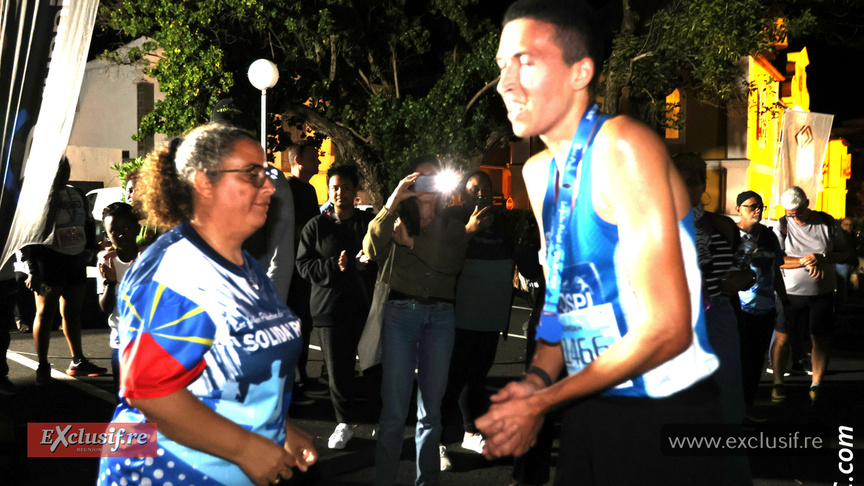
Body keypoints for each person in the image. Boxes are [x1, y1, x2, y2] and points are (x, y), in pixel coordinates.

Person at [476, 2, 727, 484]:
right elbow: (563, 302)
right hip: (589, 405)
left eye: (525, 61)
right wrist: (537, 379)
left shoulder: (624, 149)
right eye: (502, 65)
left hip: (665, 415)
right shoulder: (537, 172)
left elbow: (668, 328)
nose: (506, 82)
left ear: (580, 72)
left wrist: (542, 403)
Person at [96, 124, 317, 486]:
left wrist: (278, 426)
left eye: (268, 173)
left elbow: (234, 372)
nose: (270, 186)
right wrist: (246, 447)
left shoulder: (244, 266)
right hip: (164, 472)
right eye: (252, 174)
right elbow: (149, 391)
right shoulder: (177, 270)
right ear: (203, 184)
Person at [364, 155, 490, 486]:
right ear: (410, 182)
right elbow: (370, 247)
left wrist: (412, 244)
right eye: (421, 178)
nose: (428, 184)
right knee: (393, 413)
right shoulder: (396, 219)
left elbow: (449, 263)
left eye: (434, 179)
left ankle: (427, 481)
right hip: (400, 315)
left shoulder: (451, 224)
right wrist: (391, 203)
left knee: (431, 414)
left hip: (440, 317)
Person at [296, 164, 377, 450]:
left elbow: (383, 256)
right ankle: (344, 423)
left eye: (344, 187)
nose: (339, 192)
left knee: (373, 367)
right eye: (334, 187)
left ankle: (375, 419)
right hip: (329, 308)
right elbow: (303, 265)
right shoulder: (316, 226)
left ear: (356, 190)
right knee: (338, 371)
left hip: (366, 307)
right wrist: (336, 265)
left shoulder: (369, 223)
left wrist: (365, 266)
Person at [440, 170, 515, 466]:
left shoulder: (504, 222)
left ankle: (471, 433)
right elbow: (443, 254)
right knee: (451, 380)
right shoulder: (453, 218)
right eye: (474, 188)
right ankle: (437, 440)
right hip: (460, 313)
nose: (480, 193)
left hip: (490, 313)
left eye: (486, 188)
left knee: (477, 379)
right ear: (463, 192)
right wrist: (469, 230)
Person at [672, 153, 751, 432]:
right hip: (674, 318)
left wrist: (743, 276)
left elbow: (743, 270)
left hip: (718, 314)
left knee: (725, 387)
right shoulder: (657, 224)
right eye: (685, 180)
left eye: (698, 181)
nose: (692, 187)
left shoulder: (723, 225)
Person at [18, 157, 106, 384]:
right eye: (57, 171)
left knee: (72, 313)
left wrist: (87, 249)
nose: (62, 175)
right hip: (48, 260)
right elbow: (27, 235)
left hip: (74, 260)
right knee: (45, 314)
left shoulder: (75, 192)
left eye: (65, 170)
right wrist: (32, 269)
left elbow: (87, 222)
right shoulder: (38, 198)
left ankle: (77, 361)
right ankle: (43, 365)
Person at [771, 186, 846, 405]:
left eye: (799, 212)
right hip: (790, 293)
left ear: (807, 203)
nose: (794, 217)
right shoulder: (782, 225)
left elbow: (844, 253)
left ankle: (816, 385)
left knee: (819, 339)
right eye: (790, 213)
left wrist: (821, 257)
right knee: (782, 338)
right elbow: (778, 259)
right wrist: (806, 260)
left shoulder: (827, 222)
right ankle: (777, 383)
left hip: (822, 293)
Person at [733, 191, 786, 414]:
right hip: (739, 309)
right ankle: (733, 410)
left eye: (760, 206)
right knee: (738, 362)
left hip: (765, 310)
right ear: (739, 209)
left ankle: (747, 407)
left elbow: (776, 271)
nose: (757, 210)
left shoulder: (768, 236)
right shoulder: (731, 235)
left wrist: (784, 301)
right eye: (752, 206)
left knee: (756, 364)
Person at [286, 140, 322, 405]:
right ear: (297, 160)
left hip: (305, 270)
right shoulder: (288, 190)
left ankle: (300, 378)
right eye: (313, 157)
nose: (319, 161)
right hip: (292, 271)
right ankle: (293, 384)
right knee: (295, 325)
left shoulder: (309, 190)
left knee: (304, 325)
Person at [95, 202, 142, 394]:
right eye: (114, 230)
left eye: (126, 227)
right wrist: (110, 283)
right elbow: (105, 308)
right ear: (107, 235)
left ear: (137, 227)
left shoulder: (150, 258)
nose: (121, 234)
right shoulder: (106, 262)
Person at [835, 217, 858, 310]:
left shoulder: (851, 236)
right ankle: (841, 306)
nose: (849, 226)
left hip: (850, 263)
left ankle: (844, 304)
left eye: (850, 225)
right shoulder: (839, 236)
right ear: (841, 225)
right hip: (842, 263)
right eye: (846, 224)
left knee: (847, 284)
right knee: (842, 285)